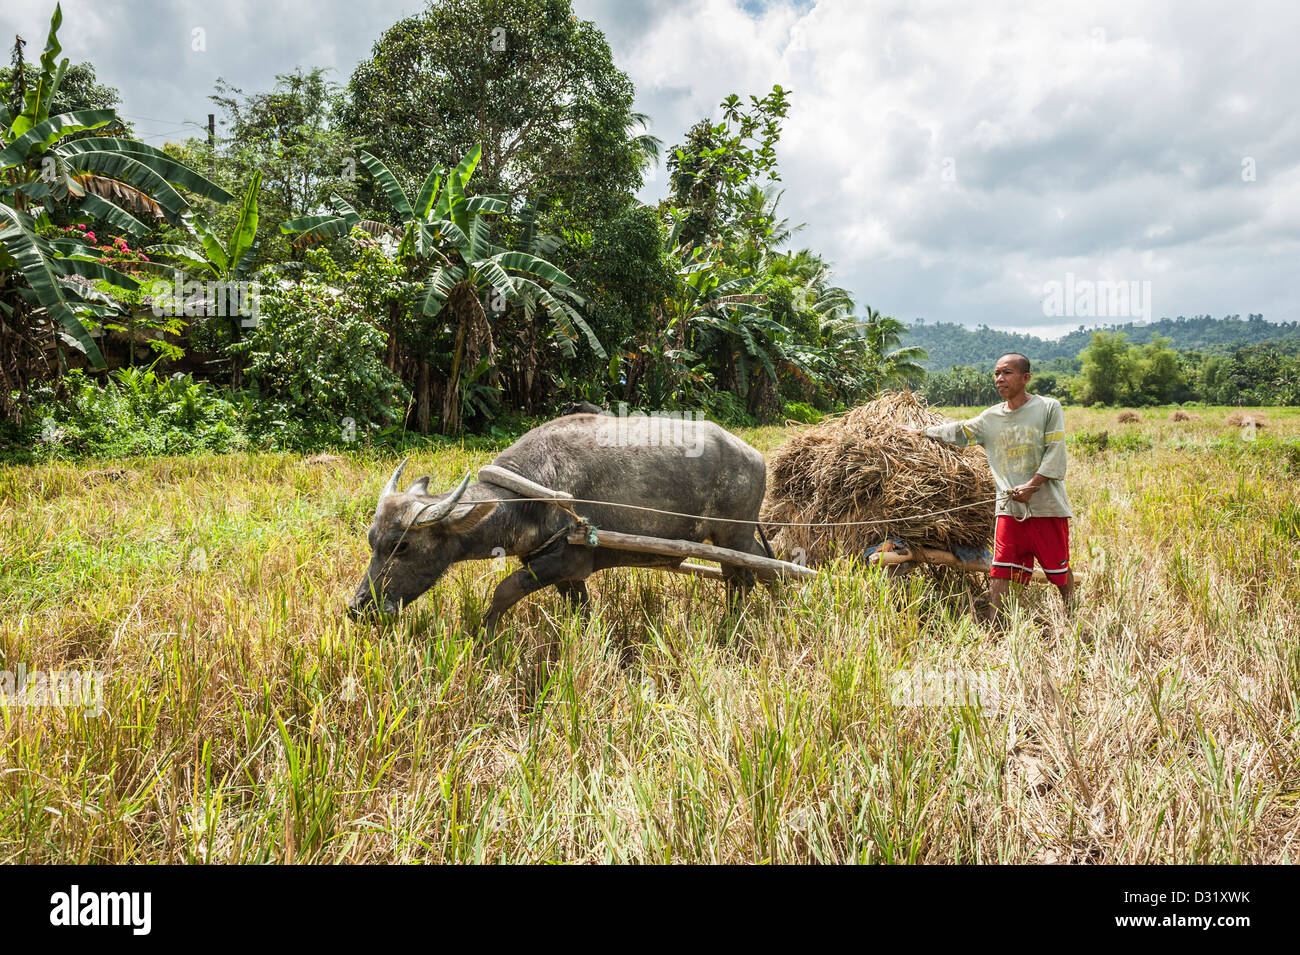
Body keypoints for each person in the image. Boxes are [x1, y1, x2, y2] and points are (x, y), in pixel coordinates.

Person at [904, 353, 1074, 626]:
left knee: (1058, 572)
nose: (999, 379)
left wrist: (1032, 485)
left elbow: (1056, 453)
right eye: (996, 373)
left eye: (1007, 373)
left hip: (1047, 508)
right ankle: (995, 627)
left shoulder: (1048, 408)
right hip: (1009, 511)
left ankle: (1071, 615)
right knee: (1000, 571)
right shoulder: (990, 418)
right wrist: (922, 432)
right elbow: (959, 431)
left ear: (1025, 377)